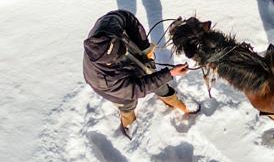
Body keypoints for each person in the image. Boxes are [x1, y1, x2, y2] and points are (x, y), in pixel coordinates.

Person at [82, 9, 197, 137]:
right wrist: (170, 74)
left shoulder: (107, 27)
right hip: (115, 89)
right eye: (119, 54)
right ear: (108, 63)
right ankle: (128, 122)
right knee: (127, 103)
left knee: (152, 75)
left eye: (121, 45)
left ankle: (172, 100)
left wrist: (143, 46)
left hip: (126, 66)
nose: (124, 51)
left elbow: (126, 17)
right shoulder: (107, 81)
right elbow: (140, 88)